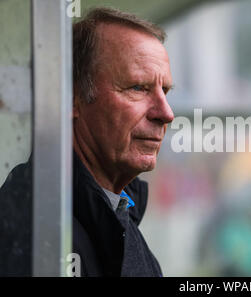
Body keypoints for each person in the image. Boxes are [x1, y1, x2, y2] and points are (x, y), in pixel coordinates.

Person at [0, 7, 174, 277]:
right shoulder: (32, 229)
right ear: (71, 98)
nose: (166, 114)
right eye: (138, 87)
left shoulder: (118, 214)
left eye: (164, 91)